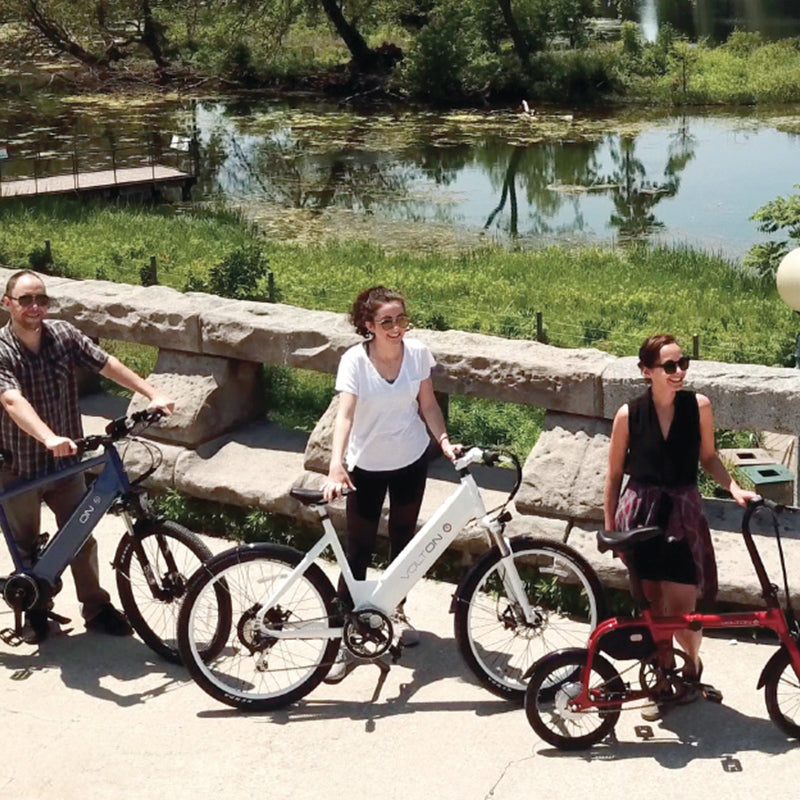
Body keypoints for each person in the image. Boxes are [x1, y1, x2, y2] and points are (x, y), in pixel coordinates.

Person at [0, 270, 175, 643]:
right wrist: (48, 437)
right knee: (26, 545)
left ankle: (95, 607)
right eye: (26, 299)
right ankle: (34, 610)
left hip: (66, 460)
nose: (35, 307)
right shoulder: (1, 350)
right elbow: (11, 400)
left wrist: (151, 392)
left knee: (80, 535)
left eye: (41, 299)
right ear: (7, 303)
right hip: (18, 463)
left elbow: (105, 362)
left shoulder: (63, 335)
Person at [604, 334, 755, 720]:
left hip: (683, 512)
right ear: (646, 372)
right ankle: (664, 680)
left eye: (682, 363)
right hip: (641, 516)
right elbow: (614, 474)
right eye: (669, 366)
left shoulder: (698, 407)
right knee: (654, 603)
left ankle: (692, 666)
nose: (679, 372)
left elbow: (709, 457)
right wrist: (609, 528)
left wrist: (733, 486)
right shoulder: (629, 415)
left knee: (685, 607)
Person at [322, 285, 458, 658]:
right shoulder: (354, 361)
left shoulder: (416, 354)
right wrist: (336, 465)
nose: (396, 328)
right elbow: (345, 416)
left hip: (411, 460)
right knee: (358, 551)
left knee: (404, 545)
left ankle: (396, 612)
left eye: (401, 319)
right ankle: (342, 631)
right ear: (369, 325)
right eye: (387, 321)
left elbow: (427, 404)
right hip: (366, 466)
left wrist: (444, 441)